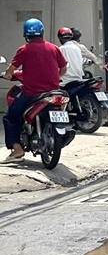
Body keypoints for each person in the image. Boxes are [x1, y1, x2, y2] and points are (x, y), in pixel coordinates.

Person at [2, 19, 67, 163]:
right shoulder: (54, 48)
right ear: (42, 32)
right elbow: (63, 69)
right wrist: (56, 77)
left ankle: (17, 150)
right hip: (53, 92)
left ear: (26, 34)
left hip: (31, 93)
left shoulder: (24, 49)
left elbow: (11, 70)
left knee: (10, 117)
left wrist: (6, 75)